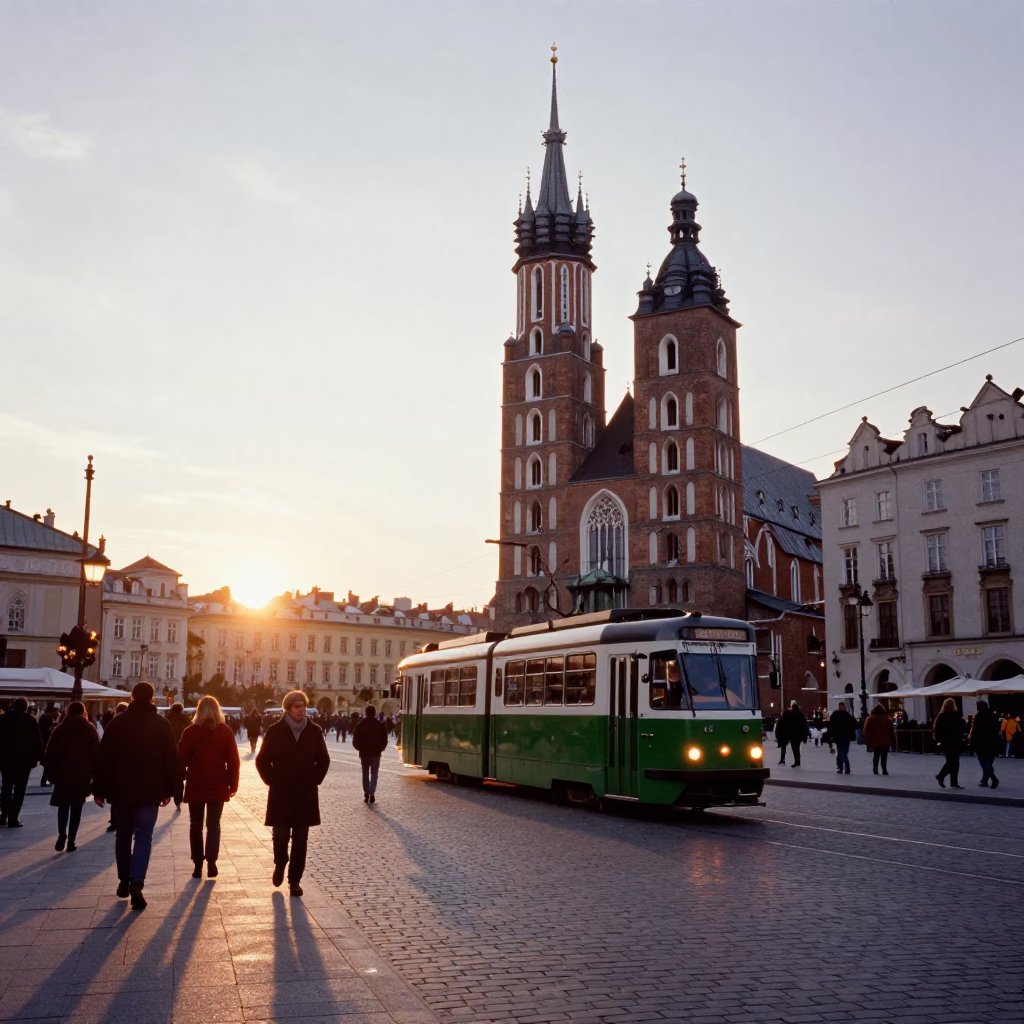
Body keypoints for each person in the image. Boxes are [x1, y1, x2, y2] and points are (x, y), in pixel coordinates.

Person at [93, 682, 179, 910]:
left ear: (132, 697)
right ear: (152, 698)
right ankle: (137, 883)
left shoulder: (117, 724)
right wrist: (170, 789)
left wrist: (99, 790)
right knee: (143, 837)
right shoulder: (162, 724)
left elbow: (104, 758)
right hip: (150, 791)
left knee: (123, 835)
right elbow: (171, 759)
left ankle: (123, 879)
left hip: (121, 791)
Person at [255, 690, 330, 897]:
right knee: (280, 836)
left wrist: (315, 779)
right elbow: (261, 760)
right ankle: (280, 863)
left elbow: (323, 760)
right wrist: (272, 780)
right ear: (288, 709)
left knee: (300, 839)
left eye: (304, 707)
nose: (301, 711)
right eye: (297, 707)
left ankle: (295, 880)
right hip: (281, 792)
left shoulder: (314, 731)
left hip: (305, 793)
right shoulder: (275, 730)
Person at [178, 695, 240, 879]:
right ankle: (212, 861)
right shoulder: (225, 731)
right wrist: (233, 785)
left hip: (196, 782)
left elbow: (180, 760)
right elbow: (234, 762)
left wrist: (178, 782)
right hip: (218, 782)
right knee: (213, 824)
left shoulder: (190, 732)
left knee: (195, 824)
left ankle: (198, 864)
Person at [43, 701, 99, 851]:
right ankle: (72, 841)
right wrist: (94, 773)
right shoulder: (89, 728)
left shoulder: (59, 729)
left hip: (62, 774)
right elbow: (96, 753)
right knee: (76, 809)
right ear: (83, 711)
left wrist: (50, 773)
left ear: (68, 712)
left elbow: (50, 752)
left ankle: (62, 833)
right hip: (81, 775)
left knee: (63, 806)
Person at [0, 697, 44, 827]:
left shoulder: (2, 719)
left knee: (6, 787)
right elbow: (37, 741)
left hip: (6, 760)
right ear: (25, 707)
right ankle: (13, 817)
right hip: (23, 761)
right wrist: (40, 758)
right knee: (19, 790)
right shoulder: (30, 720)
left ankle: (3, 815)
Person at [352, 703, 389, 803]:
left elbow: (355, 740)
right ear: (375, 713)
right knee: (374, 773)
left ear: (366, 712)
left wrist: (360, 749)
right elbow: (385, 740)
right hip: (376, 753)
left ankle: (366, 793)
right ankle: (372, 792)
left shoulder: (361, 724)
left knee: (365, 773)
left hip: (364, 753)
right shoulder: (380, 725)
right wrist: (381, 749)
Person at [933, 697, 966, 790]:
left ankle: (943, 777)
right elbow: (962, 727)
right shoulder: (956, 715)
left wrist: (940, 740)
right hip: (955, 742)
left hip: (946, 743)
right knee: (954, 762)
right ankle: (951, 781)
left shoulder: (941, 716)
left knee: (951, 762)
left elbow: (937, 730)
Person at [969, 700, 1001, 789]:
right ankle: (985, 780)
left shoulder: (978, 716)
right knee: (988, 762)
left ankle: (994, 779)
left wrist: (972, 743)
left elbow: (975, 731)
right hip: (992, 742)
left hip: (981, 743)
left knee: (984, 763)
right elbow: (997, 729)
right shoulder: (994, 716)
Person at [165, 703, 190, 810]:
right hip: (181, 750)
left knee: (170, 774)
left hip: (168, 752)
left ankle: (168, 794)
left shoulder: (166, 719)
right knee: (180, 776)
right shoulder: (185, 720)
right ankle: (178, 799)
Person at [862, 702, 896, 776]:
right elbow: (891, 730)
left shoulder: (870, 718)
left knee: (876, 756)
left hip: (875, 741)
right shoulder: (887, 718)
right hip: (885, 740)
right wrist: (893, 741)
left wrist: (868, 742)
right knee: (884, 756)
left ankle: (875, 769)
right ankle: (884, 769)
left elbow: (866, 731)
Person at [828, 701, 857, 775]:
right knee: (844, 753)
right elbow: (854, 725)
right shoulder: (847, 715)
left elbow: (831, 726)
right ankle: (846, 768)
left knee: (841, 753)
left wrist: (831, 735)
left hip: (839, 737)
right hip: (846, 737)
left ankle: (841, 768)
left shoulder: (835, 714)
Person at [778, 701, 808, 767]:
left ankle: (796, 762)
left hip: (793, 736)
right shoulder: (801, 715)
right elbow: (805, 725)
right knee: (797, 749)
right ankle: (798, 762)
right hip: (799, 736)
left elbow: (789, 725)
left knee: (795, 749)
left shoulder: (792, 715)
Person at [37, 705, 56, 786]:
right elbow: (49, 731)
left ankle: (47, 780)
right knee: (48, 764)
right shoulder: (48, 719)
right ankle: (45, 780)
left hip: (44, 745)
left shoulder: (42, 719)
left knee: (47, 765)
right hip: (47, 746)